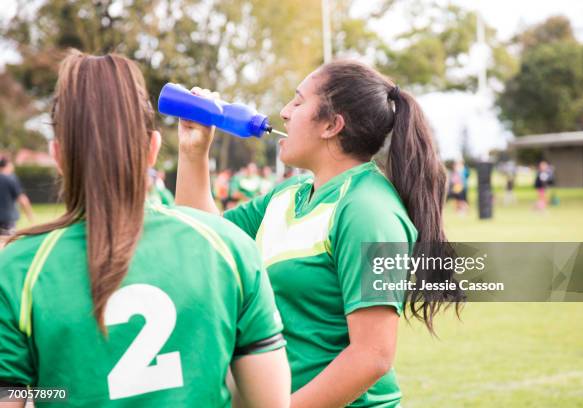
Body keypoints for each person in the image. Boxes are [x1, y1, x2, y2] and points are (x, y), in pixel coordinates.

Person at [0, 51, 290, 408]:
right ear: (153, 149)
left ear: (57, 155)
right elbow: (269, 402)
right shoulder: (229, 248)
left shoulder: (17, 269)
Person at [175, 59, 463, 408]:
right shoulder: (288, 196)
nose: (283, 112)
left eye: (297, 102)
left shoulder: (368, 210)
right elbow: (206, 238)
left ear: (331, 125)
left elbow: (372, 355)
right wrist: (193, 152)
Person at [0, 156, 34, 238]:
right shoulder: (11, 178)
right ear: (8, 165)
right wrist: (30, 216)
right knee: (6, 243)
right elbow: (22, 199)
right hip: (8, 218)